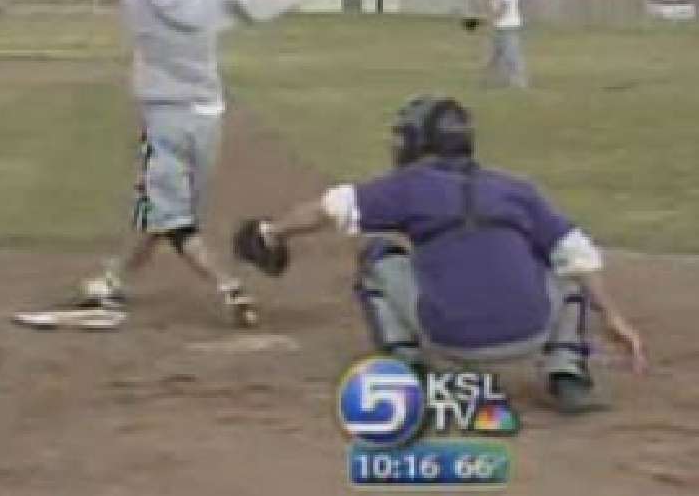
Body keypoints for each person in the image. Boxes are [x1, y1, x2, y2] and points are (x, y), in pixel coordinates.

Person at [239, 95, 647, 412]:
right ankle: (568, 374)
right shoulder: (517, 189)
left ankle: (408, 369)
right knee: (565, 263)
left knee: (378, 257)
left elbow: (329, 208)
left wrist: (272, 232)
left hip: (451, 339)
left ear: (422, 142)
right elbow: (580, 254)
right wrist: (613, 317)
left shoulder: (410, 186)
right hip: (531, 332)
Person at [76, 0, 258, 327]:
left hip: (165, 119)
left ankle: (228, 286)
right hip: (209, 117)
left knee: (173, 221)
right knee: (156, 208)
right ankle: (115, 279)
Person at [487, 0, 529, 88]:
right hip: (501, 26)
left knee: (511, 54)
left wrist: (494, 18)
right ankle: (494, 80)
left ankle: (520, 81)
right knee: (495, 55)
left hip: (507, 26)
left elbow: (504, 6)